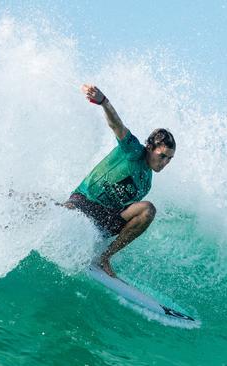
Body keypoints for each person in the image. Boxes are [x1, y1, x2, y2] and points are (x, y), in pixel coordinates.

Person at [64, 84, 176, 277]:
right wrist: (103, 102)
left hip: (105, 219)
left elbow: (127, 215)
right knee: (62, 213)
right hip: (85, 202)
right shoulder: (133, 150)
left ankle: (104, 257)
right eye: (162, 155)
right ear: (150, 147)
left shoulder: (146, 181)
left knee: (147, 209)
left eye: (169, 158)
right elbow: (116, 125)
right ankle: (20, 202)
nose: (165, 162)